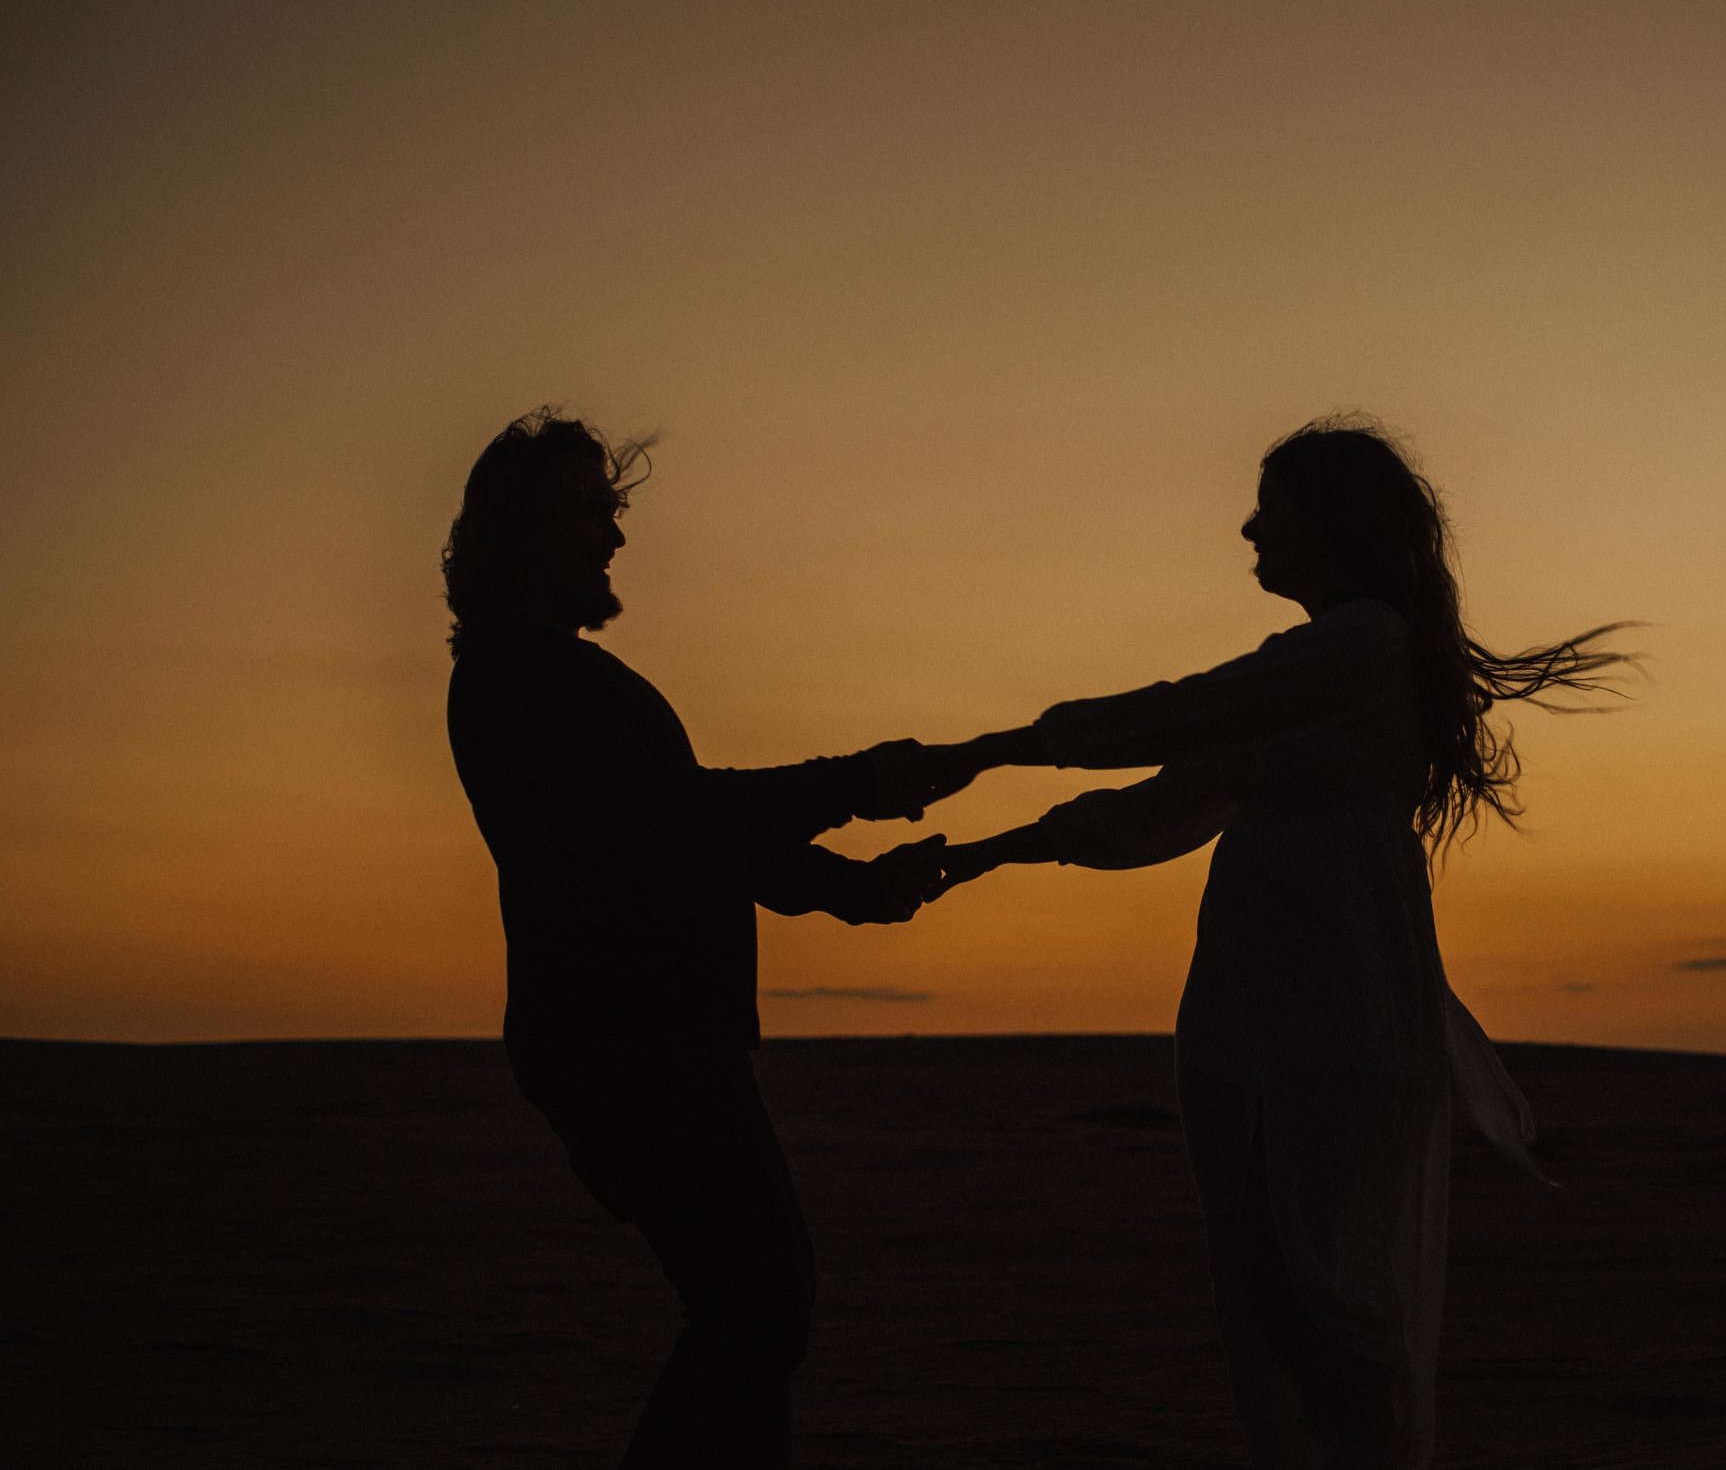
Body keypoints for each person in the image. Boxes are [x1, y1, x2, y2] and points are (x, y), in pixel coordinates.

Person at [889, 417, 1631, 1469]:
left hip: (1344, 992)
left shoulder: (1362, 644)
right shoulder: (1319, 668)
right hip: (1246, 997)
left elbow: (1178, 716)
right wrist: (982, 853)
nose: (1246, 528)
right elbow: (1174, 800)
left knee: (1321, 1283)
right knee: (1258, 1282)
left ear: (1333, 522)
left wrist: (986, 750)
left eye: (1270, 507)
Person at [440, 409, 956, 1469]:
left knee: (755, 1305)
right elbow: (669, 822)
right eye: (592, 512)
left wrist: (860, 890)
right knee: (756, 1304)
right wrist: (855, 784)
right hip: (623, 1044)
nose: (615, 536)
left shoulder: (574, 679)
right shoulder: (517, 677)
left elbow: (699, 842)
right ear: (522, 528)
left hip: (658, 1039)